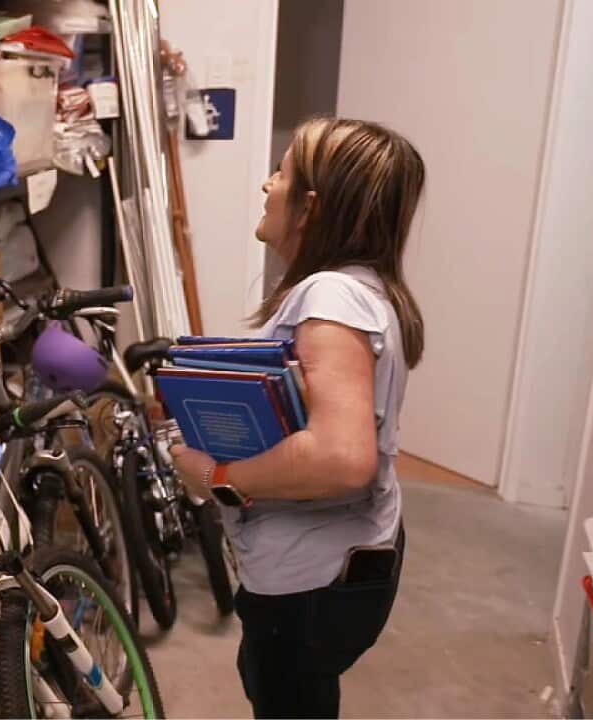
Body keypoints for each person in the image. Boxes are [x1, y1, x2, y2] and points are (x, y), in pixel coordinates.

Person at [170, 116, 426, 719]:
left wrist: (216, 477)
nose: (267, 185)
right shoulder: (366, 289)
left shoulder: (330, 296)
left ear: (311, 207)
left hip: (311, 581)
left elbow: (341, 459)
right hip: (347, 560)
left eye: (280, 173)